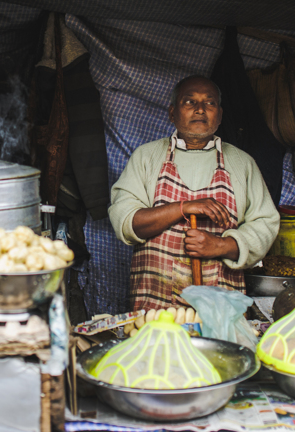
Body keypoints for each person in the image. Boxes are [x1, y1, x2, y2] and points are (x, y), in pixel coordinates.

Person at [109, 76, 279, 310]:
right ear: (172, 113)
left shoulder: (242, 163)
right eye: (189, 102)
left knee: (217, 336)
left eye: (209, 103)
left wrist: (221, 245)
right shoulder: (146, 157)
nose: (200, 109)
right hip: (154, 306)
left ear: (220, 115)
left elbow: (265, 224)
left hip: (220, 311)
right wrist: (184, 208)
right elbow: (127, 221)